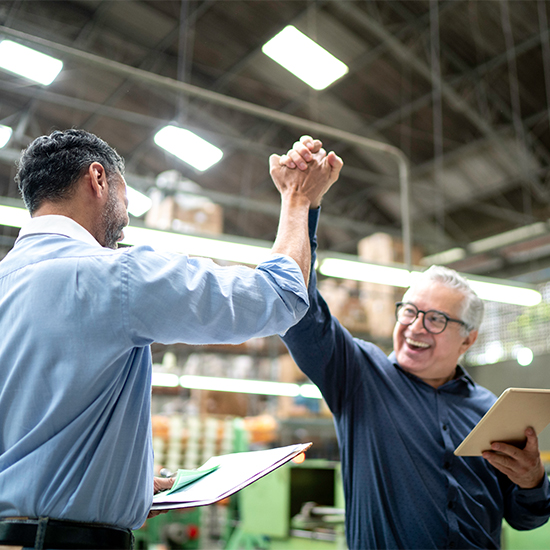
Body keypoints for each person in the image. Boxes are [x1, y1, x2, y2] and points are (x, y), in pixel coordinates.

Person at [0, 129, 342, 550]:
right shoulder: (115, 276)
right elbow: (280, 296)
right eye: (125, 199)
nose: (124, 221)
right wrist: (298, 199)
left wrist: (122, 484)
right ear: (98, 179)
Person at [277, 136, 550, 549]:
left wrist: (533, 482)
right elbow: (299, 314)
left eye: (436, 319)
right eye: (409, 310)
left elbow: (525, 520)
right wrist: (302, 205)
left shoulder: (491, 414)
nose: (415, 326)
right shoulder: (360, 378)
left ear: (468, 340)